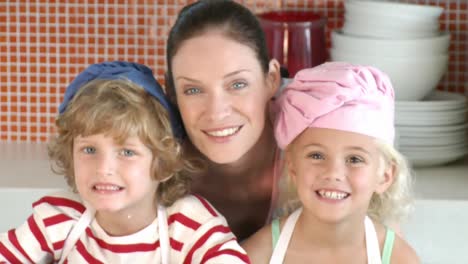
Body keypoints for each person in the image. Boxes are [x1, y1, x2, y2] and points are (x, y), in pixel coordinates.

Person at [0, 61, 249, 263]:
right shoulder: (59, 217)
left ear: (162, 163)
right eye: (89, 149)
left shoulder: (187, 223)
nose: (104, 168)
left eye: (127, 152)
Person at [242, 62, 420, 263]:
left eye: (355, 159)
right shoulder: (258, 253)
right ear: (292, 166)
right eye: (316, 155)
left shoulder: (398, 258)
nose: (333, 172)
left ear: (385, 176)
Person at [165, 0, 296, 241]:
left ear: (271, 79)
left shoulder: (314, 144)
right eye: (193, 90)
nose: (216, 112)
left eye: (237, 84)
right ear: (172, 93)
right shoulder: (153, 162)